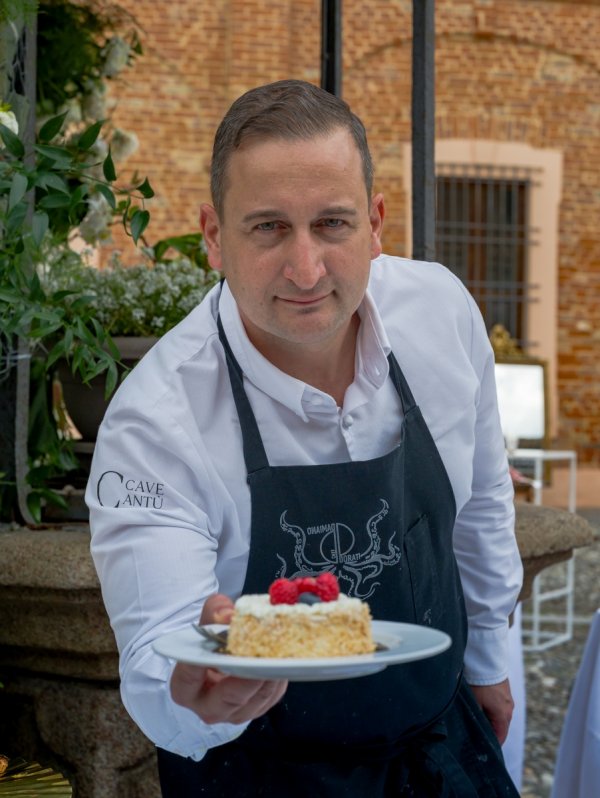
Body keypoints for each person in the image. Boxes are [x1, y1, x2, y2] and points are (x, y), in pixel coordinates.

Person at [87, 79, 523, 797]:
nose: (306, 270)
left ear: (377, 224)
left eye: (332, 225)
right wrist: (197, 697)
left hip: (441, 742)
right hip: (256, 768)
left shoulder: (440, 313)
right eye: (267, 228)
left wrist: (488, 663)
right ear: (212, 235)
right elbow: (155, 655)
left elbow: (479, 505)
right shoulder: (156, 423)